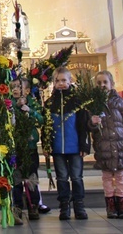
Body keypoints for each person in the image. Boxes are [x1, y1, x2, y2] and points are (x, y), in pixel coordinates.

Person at [89, 70, 123, 219]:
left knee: (121, 178)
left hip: (120, 147)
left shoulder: (119, 102)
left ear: (111, 84)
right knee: (107, 180)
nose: (102, 85)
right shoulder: (94, 104)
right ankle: (111, 207)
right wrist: (92, 122)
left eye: (105, 82)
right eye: (99, 83)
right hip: (104, 149)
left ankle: (122, 207)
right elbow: (88, 127)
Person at [47, 66, 91, 220]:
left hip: (75, 147)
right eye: (57, 81)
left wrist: (85, 145)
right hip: (58, 148)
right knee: (62, 178)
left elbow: (83, 125)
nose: (61, 83)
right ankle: (64, 206)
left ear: (70, 81)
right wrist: (47, 146)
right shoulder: (50, 102)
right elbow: (47, 128)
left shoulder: (78, 101)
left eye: (64, 80)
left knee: (77, 177)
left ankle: (79, 205)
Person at [9, 78, 44, 224]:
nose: (16, 89)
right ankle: (17, 206)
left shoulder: (33, 103)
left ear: (27, 91)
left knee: (31, 177)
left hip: (29, 147)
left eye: (19, 87)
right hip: (15, 147)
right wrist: (15, 109)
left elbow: (41, 120)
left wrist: (29, 110)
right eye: (13, 87)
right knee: (16, 177)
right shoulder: (10, 104)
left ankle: (33, 205)